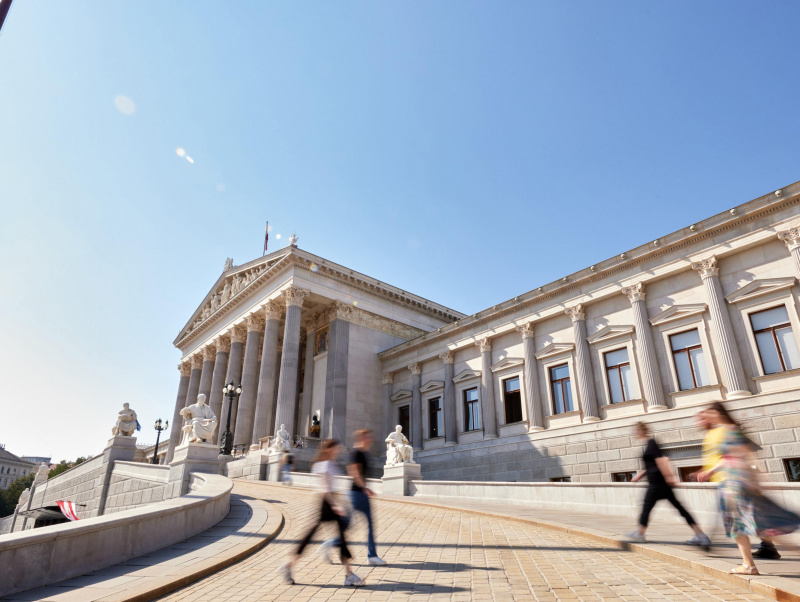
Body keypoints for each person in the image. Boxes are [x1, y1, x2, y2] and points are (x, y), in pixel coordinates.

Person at [697, 402, 800, 575]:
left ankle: (749, 566)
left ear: (717, 413)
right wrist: (710, 472)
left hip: (735, 484)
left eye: (709, 413)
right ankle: (748, 565)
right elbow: (730, 457)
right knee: (759, 527)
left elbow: (744, 456)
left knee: (740, 526)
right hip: (735, 483)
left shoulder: (730, 431)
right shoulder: (728, 430)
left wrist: (756, 478)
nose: (706, 417)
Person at [695, 409, 780, 560]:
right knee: (743, 517)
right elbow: (715, 457)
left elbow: (729, 456)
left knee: (743, 518)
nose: (699, 422)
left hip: (733, 480)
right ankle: (767, 547)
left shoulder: (721, 432)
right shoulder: (709, 435)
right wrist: (705, 471)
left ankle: (756, 555)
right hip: (724, 480)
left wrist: (710, 472)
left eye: (702, 419)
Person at [279, 440, 364, 587]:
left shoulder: (329, 464)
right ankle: (349, 575)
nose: (338, 451)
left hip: (330, 503)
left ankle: (288, 565)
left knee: (317, 536)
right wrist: (336, 505)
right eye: (336, 449)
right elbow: (325, 488)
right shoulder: (324, 465)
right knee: (335, 539)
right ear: (329, 449)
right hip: (328, 504)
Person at [625, 422, 711, 550]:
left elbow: (662, 461)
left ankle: (640, 533)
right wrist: (639, 476)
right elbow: (652, 465)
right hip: (659, 483)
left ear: (642, 430)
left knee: (647, 508)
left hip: (658, 484)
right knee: (679, 509)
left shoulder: (652, 443)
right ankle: (701, 535)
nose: (635, 433)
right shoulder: (649, 444)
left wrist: (671, 477)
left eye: (636, 430)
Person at [320, 429, 387, 566]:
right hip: (356, 494)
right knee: (352, 525)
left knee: (365, 524)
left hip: (360, 493)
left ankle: (371, 555)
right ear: (361, 438)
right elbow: (354, 472)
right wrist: (364, 487)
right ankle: (330, 544)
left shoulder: (364, 453)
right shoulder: (356, 453)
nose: (370, 439)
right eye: (367, 437)